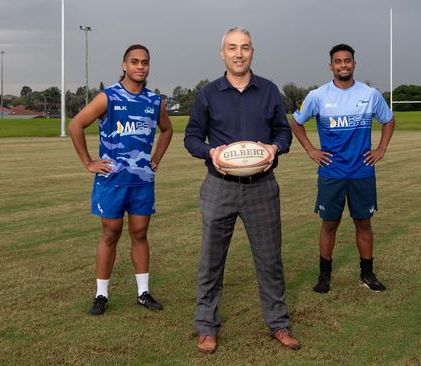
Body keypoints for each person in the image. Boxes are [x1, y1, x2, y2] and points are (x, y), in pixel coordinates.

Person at [184, 26, 299, 354]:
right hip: (219, 187)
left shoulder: (269, 90)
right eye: (232, 48)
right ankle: (207, 326)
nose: (238, 53)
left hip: (262, 187)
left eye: (245, 47)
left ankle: (279, 323)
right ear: (223, 53)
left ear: (252, 52)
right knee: (210, 259)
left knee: (269, 259)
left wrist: (275, 149)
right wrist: (211, 152)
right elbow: (191, 137)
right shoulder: (208, 94)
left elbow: (283, 132)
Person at [69, 44, 173, 315]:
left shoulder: (154, 101)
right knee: (110, 234)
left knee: (140, 234)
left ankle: (143, 292)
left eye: (145, 62)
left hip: (141, 182)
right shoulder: (109, 97)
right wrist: (88, 162)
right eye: (135, 61)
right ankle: (101, 295)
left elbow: (167, 130)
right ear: (124, 65)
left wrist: (157, 159)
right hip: (113, 181)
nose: (140, 66)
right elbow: (76, 124)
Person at [289, 43, 395, 294]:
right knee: (329, 224)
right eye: (338, 61)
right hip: (331, 173)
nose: (343, 65)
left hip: (362, 172)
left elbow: (389, 121)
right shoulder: (318, 96)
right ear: (331, 66)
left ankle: (367, 275)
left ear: (354, 64)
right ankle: (324, 276)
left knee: (364, 223)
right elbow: (295, 121)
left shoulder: (369, 95)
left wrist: (381, 149)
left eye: (347, 61)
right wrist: (311, 150)